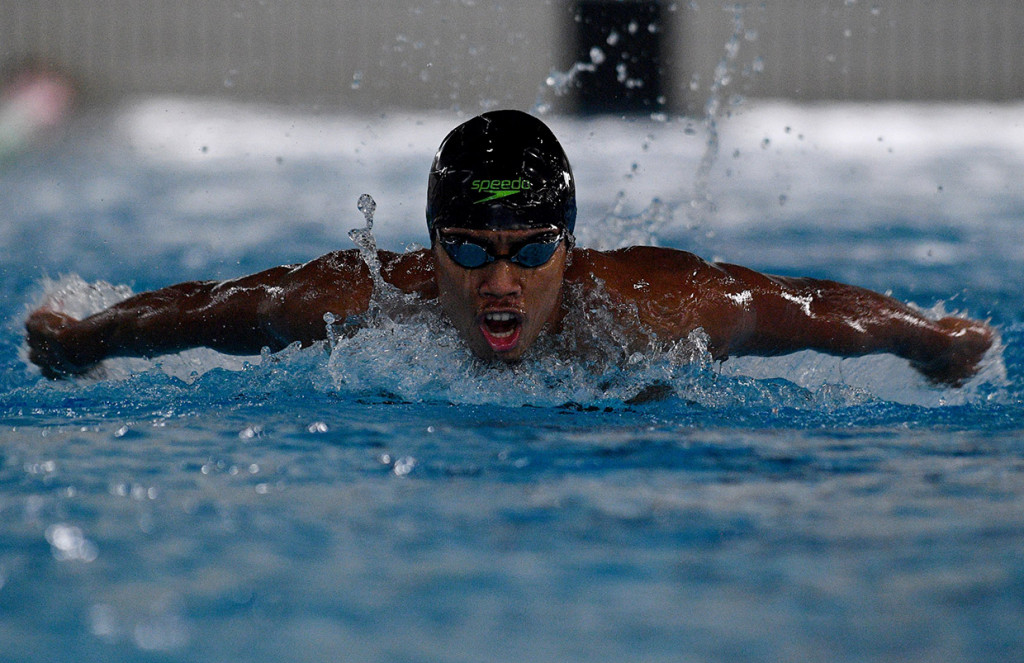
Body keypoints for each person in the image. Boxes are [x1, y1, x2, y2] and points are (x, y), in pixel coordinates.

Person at [25, 110, 993, 386]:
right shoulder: (368, 300)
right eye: (470, 249)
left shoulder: (654, 310)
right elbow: (204, 308)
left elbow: (813, 307)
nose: (498, 280)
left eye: (531, 251)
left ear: (569, 249)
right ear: (427, 246)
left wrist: (928, 341)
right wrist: (85, 341)